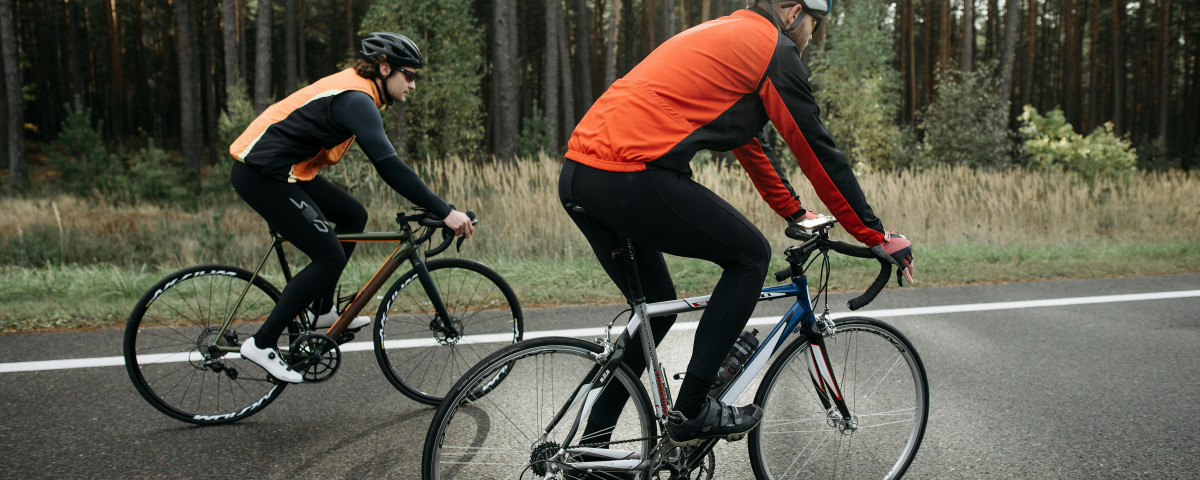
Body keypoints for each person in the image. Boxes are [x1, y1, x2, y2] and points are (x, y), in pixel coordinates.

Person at [558, 0, 915, 447]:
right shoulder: (774, 49)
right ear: (793, 12)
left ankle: (593, 446)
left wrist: (796, 213)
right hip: (630, 174)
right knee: (750, 256)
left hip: (579, 175)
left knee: (657, 309)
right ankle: (692, 413)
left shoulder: (730, 35)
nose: (813, 35)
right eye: (815, 24)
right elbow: (817, 151)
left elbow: (753, 145)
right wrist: (875, 234)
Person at [230, 32, 474, 384]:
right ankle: (262, 343)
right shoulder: (356, 98)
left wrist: (438, 206)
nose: (413, 84)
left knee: (352, 216)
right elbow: (390, 166)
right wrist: (446, 211)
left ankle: (322, 312)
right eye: (409, 74)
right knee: (328, 257)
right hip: (262, 173)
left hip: (287, 169)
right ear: (385, 68)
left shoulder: (362, 93)